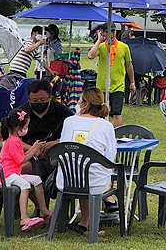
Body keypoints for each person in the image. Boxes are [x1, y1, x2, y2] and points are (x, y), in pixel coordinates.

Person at [57, 87, 118, 235]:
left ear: (85, 104)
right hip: (96, 182)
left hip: (67, 180)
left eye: (79, 99)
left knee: (82, 171)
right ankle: (106, 206)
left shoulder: (69, 121)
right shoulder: (107, 126)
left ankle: (84, 222)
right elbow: (110, 157)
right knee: (92, 173)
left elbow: (63, 146)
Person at [17, 80, 74, 202]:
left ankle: (59, 208)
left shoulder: (63, 112)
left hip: (57, 158)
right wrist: (32, 149)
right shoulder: (21, 113)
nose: (39, 104)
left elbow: (74, 135)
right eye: (35, 101)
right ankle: (39, 206)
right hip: (30, 156)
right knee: (21, 170)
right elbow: (12, 138)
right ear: (29, 98)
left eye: (43, 101)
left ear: (50, 97)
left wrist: (56, 143)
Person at [0, 108, 52, 231]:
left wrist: (34, 148)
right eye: (26, 126)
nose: (27, 129)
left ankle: (43, 210)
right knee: (25, 185)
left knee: (37, 180)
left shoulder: (15, 140)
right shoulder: (12, 141)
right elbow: (22, 160)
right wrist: (35, 148)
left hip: (13, 173)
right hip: (6, 174)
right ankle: (24, 217)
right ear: (18, 128)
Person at [87, 22, 135, 127]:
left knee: (117, 113)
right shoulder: (101, 47)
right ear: (103, 33)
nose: (111, 34)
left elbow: (129, 65)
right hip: (102, 86)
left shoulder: (124, 47)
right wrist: (99, 40)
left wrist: (132, 82)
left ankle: (115, 136)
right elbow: (90, 55)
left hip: (118, 85)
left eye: (113, 31)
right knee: (101, 113)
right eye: (108, 32)